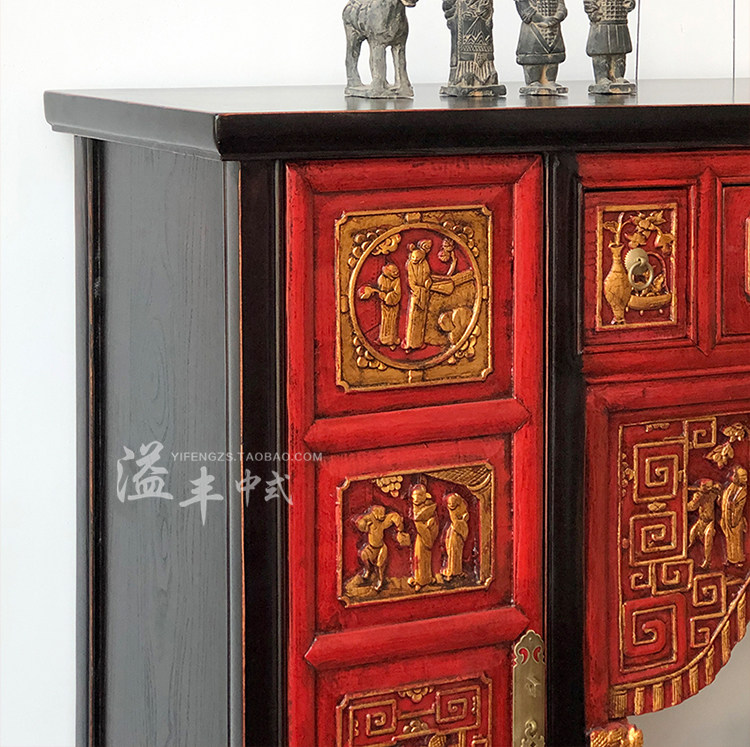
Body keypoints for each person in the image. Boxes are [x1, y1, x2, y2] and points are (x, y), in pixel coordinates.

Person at [515, 0, 568, 96]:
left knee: (553, 56)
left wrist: (558, 16)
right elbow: (524, 7)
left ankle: (550, 80)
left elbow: (561, 5)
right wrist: (541, 19)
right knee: (533, 55)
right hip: (534, 28)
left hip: (553, 29)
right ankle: (533, 81)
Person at [584, 0, 637, 95]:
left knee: (620, 52)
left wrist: (629, 4)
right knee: (601, 52)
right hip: (602, 22)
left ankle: (618, 76)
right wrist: (594, 13)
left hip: (619, 21)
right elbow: (589, 2)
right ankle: (601, 78)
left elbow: (629, 3)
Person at [719, 466, 748, 565]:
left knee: (736, 541)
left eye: (746, 476)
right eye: (743, 476)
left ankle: (738, 560)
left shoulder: (742, 492)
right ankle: (730, 558)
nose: (746, 479)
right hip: (726, 517)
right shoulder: (731, 487)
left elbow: (739, 508)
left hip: (735, 519)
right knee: (729, 540)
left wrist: (733, 521)